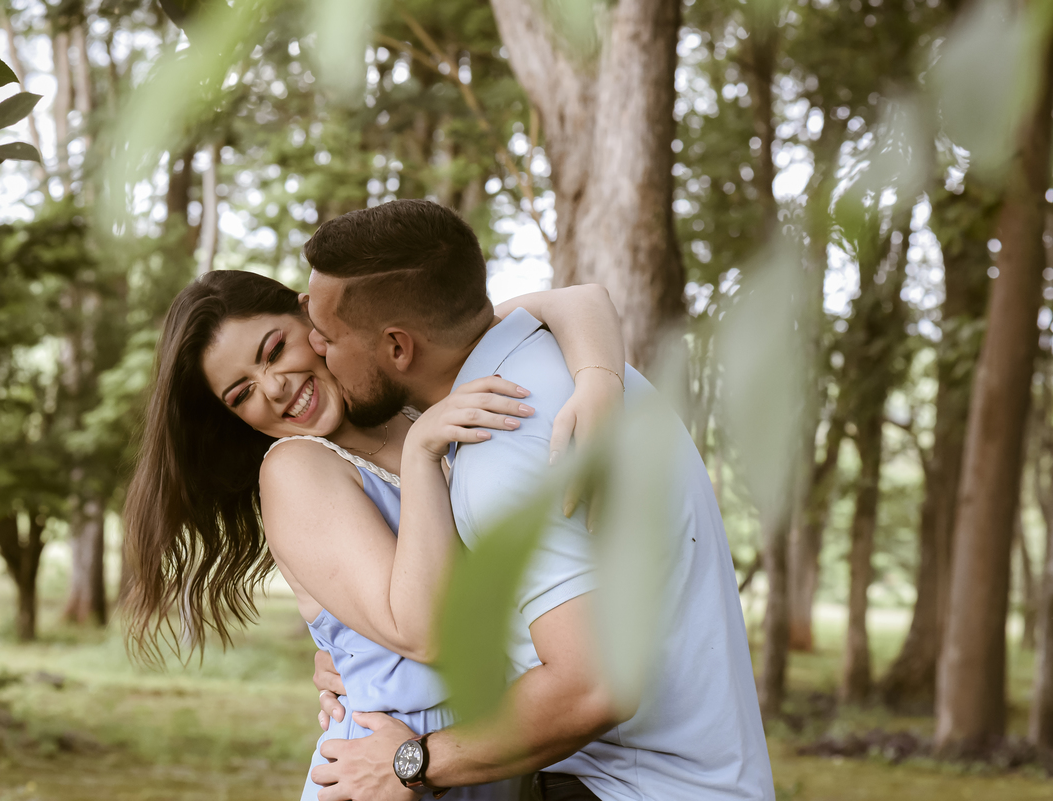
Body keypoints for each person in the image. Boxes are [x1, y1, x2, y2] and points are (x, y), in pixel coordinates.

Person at [303, 199, 775, 800]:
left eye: (329, 338)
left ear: (398, 347)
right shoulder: (579, 372)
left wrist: (408, 761)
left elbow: (592, 684)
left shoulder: (503, 444)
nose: (317, 351)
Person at [123, 268, 628, 801]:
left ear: (310, 315)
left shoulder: (413, 398)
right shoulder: (295, 468)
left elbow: (579, 300)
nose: (274, 388)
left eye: (274, 350)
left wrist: (598, 382)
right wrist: (422, 455)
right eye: (241, 393)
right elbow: (425, 633)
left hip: (485, 757)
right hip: (384, 773)